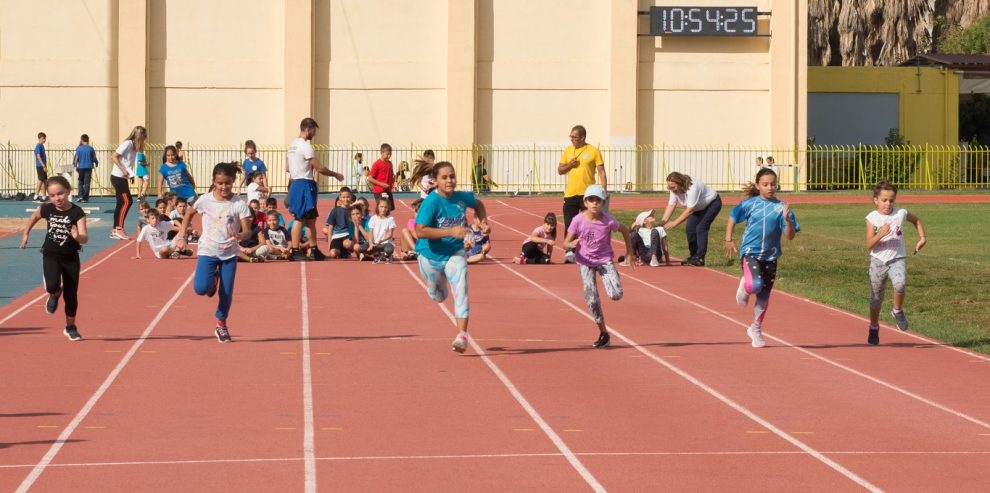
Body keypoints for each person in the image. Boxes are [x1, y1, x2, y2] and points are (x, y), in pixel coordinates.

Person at [415, 161, 490, 353]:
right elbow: (420, 231)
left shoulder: (462, 197)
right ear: (436, 181)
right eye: (445, 177)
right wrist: (451, 230)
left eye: (452, 176)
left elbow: (479, 204)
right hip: (429, 256)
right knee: (439, 295)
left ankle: (462, 336)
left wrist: (482, 222)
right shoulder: (431, 202)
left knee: (461, 288)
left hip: (455, 253)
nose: (450, 180)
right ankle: (435, 288)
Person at [174, 162, 254, 343]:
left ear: (233, 181)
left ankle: (221, 324)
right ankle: (212, 281)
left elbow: (247, 231)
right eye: (220, 183)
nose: (224, 187)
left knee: (226, 292)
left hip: (230, 253)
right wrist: (182, 234)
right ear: (214, 182)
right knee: (200, 288)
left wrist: (240, 235)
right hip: (208, 250)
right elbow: (188, 213)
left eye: (227, 183)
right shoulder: (205, 200)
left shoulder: (239, 204)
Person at [724, 168, 799, 349]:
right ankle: (745, 285)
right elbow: (733, 217)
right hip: (750, 252)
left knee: (764, 295)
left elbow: (790, 236)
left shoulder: (781, 207)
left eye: (773, 184)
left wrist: (787, 220)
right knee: (755, 285)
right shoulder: (750, 203)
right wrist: (728, 239)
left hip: (771, 256)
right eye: (765, 184)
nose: (770, 188)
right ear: (758, 186)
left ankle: (755, 329)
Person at [563, 184, 633, 348]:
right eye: (591, 200)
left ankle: (612, 277)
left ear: (604, 203)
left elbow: (624, 230)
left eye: (598, 200)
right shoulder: (578, 220)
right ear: (585, 202)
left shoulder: (608, 221)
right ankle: (603, 332)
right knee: (592, 299)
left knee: (616, 295)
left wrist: (629, 252)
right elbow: (565, 242)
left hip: (604, 260)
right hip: (585, 262)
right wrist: (570, 243)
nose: (594, 203)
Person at [19, 176, 88, 341]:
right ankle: (55, 293)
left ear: (68, 191)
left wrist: (77, 236)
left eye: (60, 194)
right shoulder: (48, 209)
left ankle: (70, 327)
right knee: (51, 285)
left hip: (71, 257)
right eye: (53, 195)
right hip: (51, 254)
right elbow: (34, 217)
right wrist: (26, 234)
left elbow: (85, 237)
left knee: (71, 294)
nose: (57, 198)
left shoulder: (77, 212)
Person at [865, 179, 927, 345]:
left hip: (897, 258)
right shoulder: (872, 218)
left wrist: (922, 238)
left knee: (900, 284)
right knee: (876, 299)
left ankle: (897, 310)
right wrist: (881, 234)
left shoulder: (900, 214)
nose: (888, 204)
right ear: (876, 200)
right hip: (878, 261)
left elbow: (917, 221)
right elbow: (869, 244)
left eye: (891, 200)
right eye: (884, 200)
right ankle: (874, 327)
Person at [285, 117, 344, 261]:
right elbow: (319, 167)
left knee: (311, 219)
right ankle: (295, 250)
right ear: (308, 129)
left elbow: (287, 168)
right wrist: (335, 174)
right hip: (304, 184)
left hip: (296, 182)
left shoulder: (292, 145)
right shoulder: (305, 146)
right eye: (314, 131)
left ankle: (314, 249)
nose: (314, 134)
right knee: (299, 218)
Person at [558, 124, 607, 264]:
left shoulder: (593, 151)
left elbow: (602, 172)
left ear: (582, 137)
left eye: (574, 137)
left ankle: (589, 250)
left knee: (589, 223)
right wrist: (570, 165)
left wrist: (603, 191)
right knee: (570, 224)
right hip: (570, 194)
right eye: (571, 137)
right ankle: (569, 251)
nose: (572, 139)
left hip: (588, 195)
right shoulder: (568, 150)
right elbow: (560, 170)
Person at [659, 171, 722, 266]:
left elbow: (690, 210)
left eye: (673, 187)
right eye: (669, 187)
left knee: (701, 228)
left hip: (712, 204)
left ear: (680, 183)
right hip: (697, 207)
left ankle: (700, 258)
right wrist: (663, 221)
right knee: (690, 229)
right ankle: (694, 256)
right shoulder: (674, 190)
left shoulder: (693, 188)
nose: (671, 189)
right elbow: (671, 205)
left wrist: (674, 223)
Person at [110, 126, 146, 240]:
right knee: (127, 201)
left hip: (123, 177)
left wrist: (130, 174)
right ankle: (119, 228)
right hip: (117, 177)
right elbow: (114, 156)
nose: (145, 140)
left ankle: (115, 230)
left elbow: (127, 162)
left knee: (120, 203)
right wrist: (123, 170)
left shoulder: (135, 147)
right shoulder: (127, 144)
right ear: (139, 136)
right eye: (144, 137)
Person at [322, 187, 355, 259]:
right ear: (340, 198)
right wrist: (329, 244)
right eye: (343, 197)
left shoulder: (353, 210)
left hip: (348, 236)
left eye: (348, 197)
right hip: (337, 236)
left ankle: (346, 251)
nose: (346, 199)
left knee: (348, 244)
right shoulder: (335, 211)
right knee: (333, 254)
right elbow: (330, 228)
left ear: (351, 197)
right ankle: (342, 252)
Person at [364, 199, 397, 263]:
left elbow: (390, 235)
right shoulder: (373, 218)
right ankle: (378, 255)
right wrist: (371, 244)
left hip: (385, 243)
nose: (383, 209)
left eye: (385, 207)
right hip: (375, 243)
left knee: (389, 249)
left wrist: (381, 240)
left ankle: (387, 255)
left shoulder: (390, 219)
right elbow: (370, 232)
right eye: (381, 207)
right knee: (362, 248)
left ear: (388, 208)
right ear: (377, 207)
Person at [369, 143, 396, 211]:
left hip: (388, 190)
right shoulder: (377, 164)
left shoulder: (390, 163)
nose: (389, 156)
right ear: (382, 153)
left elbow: (391, 176)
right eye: (387, 154)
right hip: (379, 191)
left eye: (390, 154)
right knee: (382, 209)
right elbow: (370, 178)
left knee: (390, 208)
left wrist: (393, 182)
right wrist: (382, 184)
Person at [72, 134, 98, 203]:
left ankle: (80, 196)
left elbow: (76, 158)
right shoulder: (90, 148)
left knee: (80, 182)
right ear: (88, 140)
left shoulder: (79, 148)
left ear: (81, 140)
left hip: (81, 167)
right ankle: (85, 198)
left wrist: (74, 165)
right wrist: (96, 162)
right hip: (89, 167)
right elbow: (94, 157)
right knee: (87, 183)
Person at [33, 132, 48, 202]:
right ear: (40, 138)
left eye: (45, 139)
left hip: (43, 166)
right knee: (40, 180)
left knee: (45, 180)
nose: (44, 140)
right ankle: (36, 196)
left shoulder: (42, 146)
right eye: (43, 139)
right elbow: (38, 156)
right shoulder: (38, 146)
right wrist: (43, 165)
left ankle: (44, 196)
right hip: (40, 166)